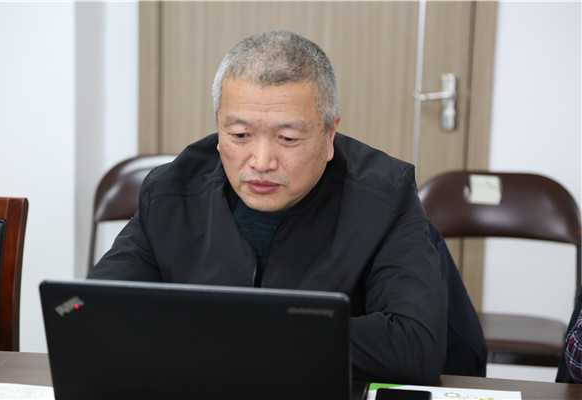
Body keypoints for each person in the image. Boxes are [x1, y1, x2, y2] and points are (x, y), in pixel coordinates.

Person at [88, 30, 447, 384]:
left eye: (288, 138)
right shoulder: (170, 190)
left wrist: (231, 336)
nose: (261, 162)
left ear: (329, 135)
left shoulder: (383, 195)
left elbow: (414, 346)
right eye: (240, 135)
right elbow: (93, 314)